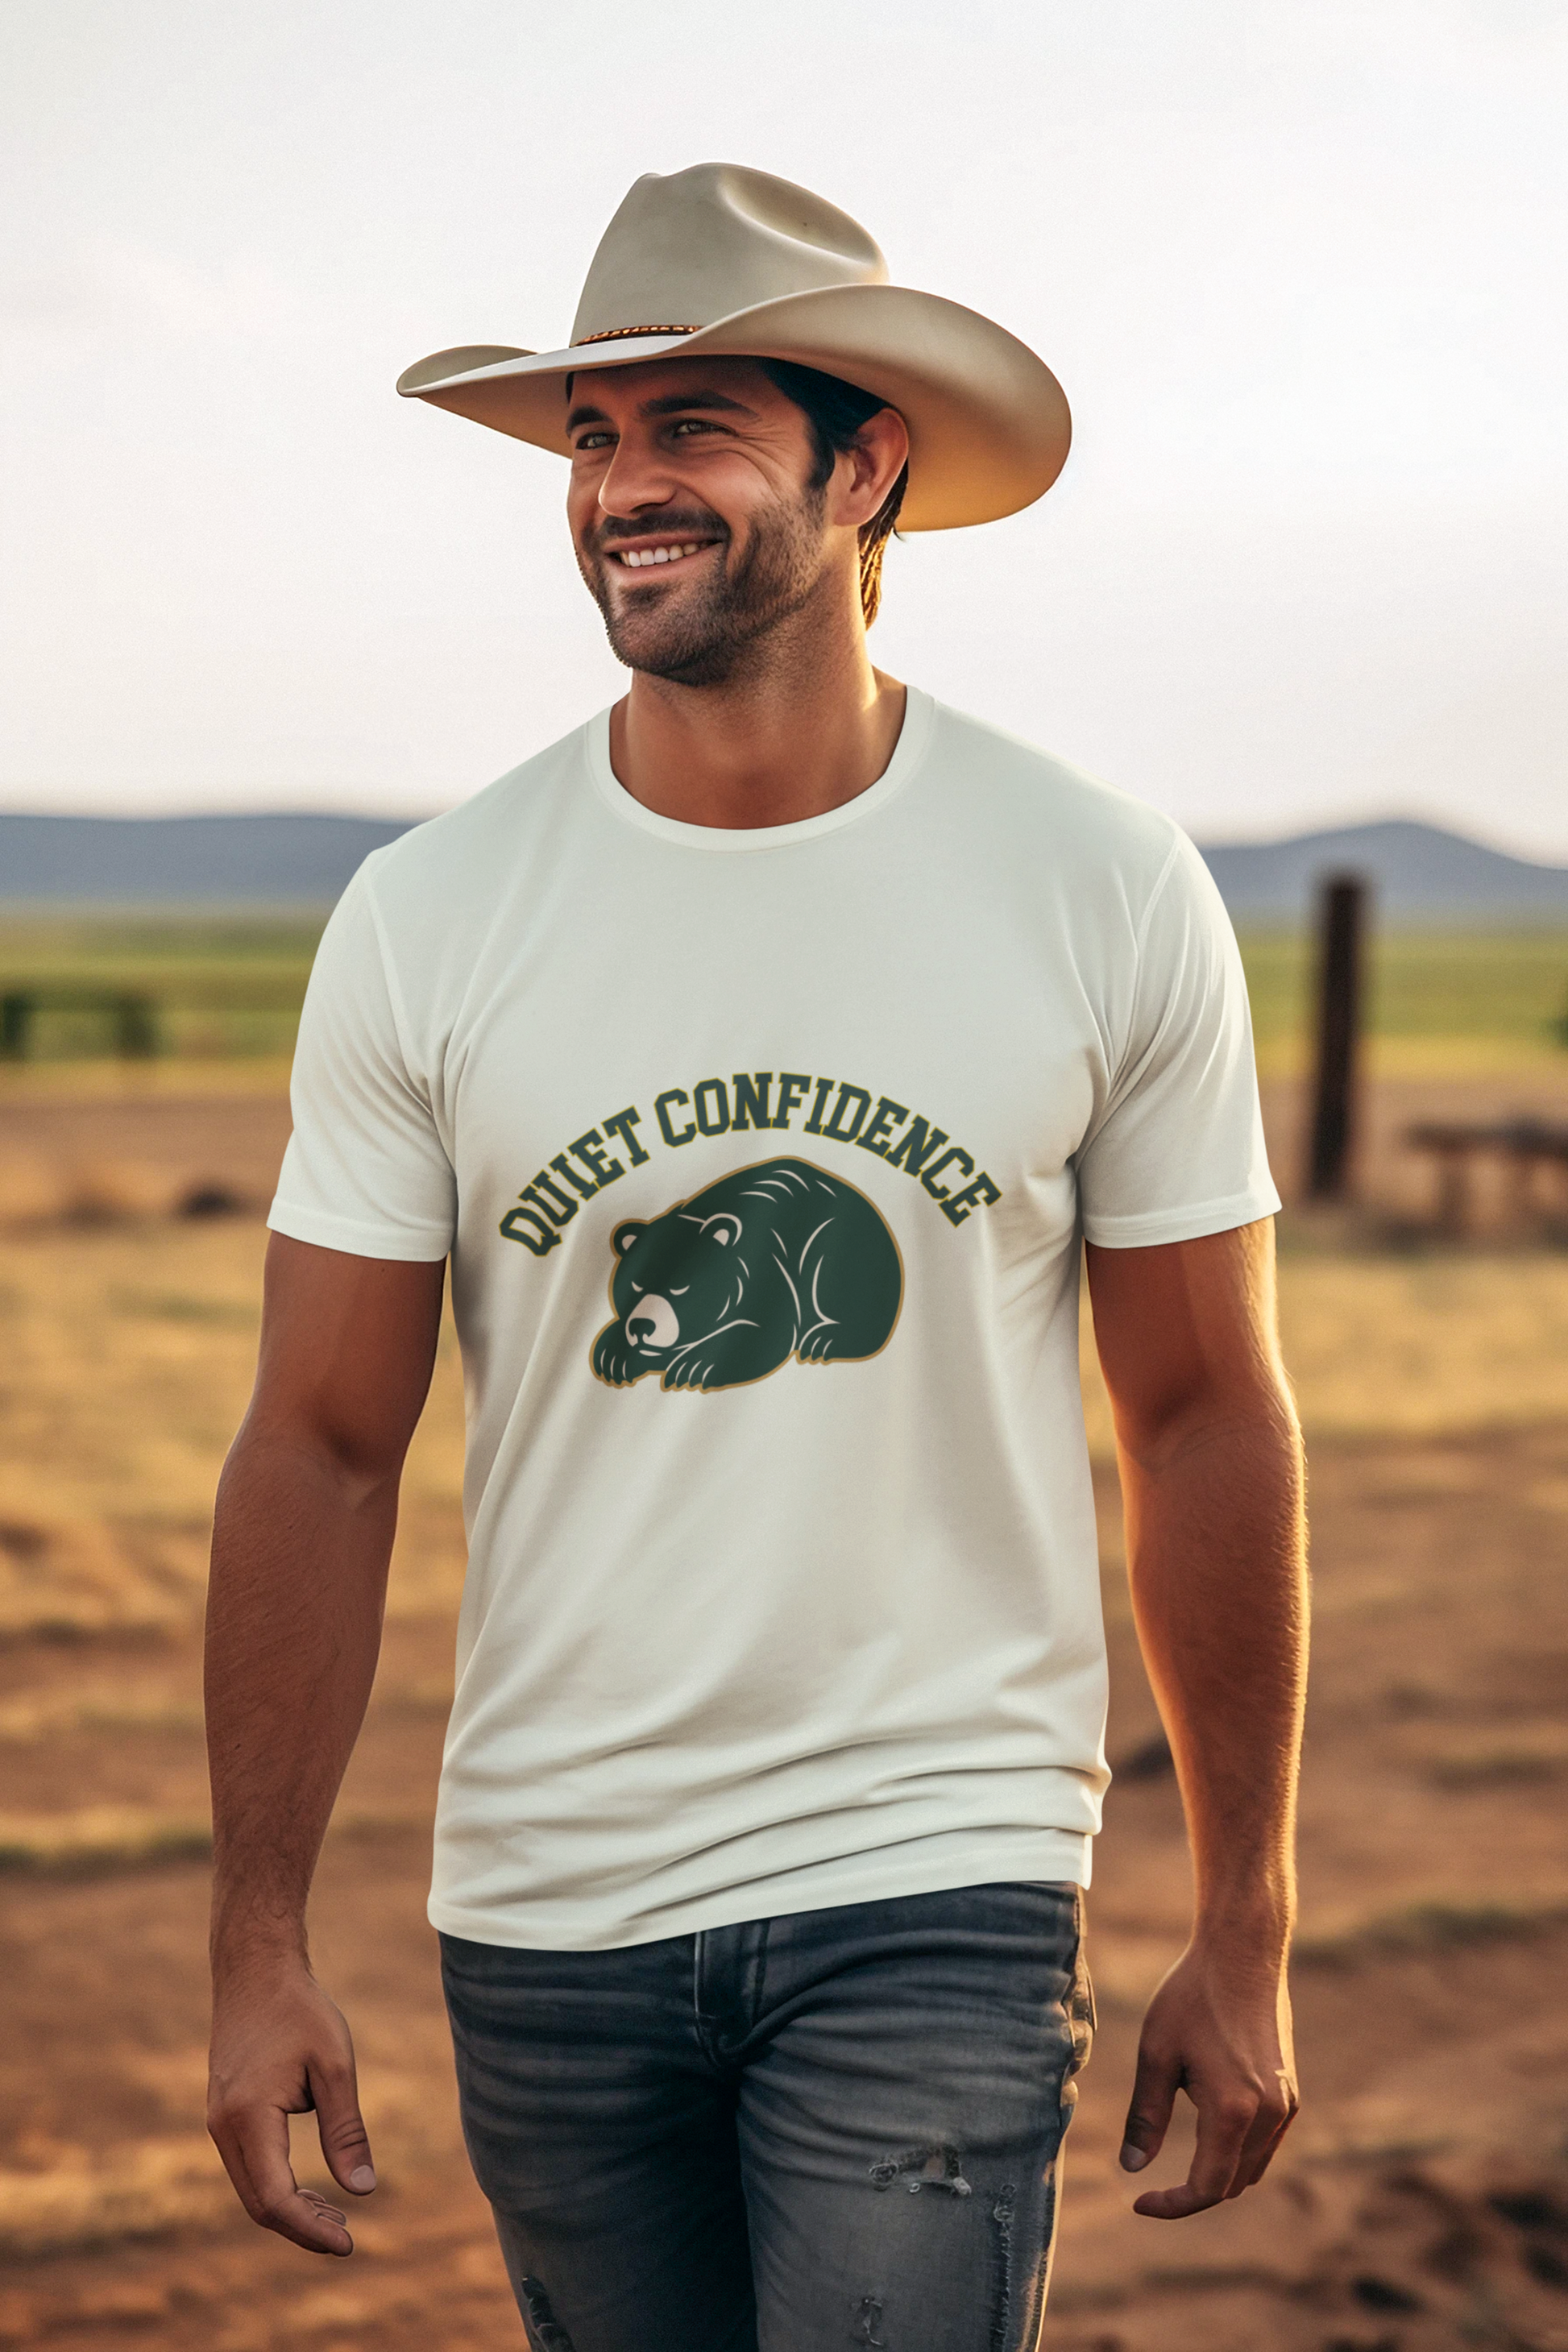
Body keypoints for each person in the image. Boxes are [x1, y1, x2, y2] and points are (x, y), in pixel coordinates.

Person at [205, 163, 1308, 2351]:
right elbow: (322, 1442)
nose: (621, 484)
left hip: (940, 1865)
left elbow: (1202, 1411)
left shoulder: (1094, 884)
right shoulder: (432, 917)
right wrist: (254, 1936)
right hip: (548, 1899)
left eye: (691, 422)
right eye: (594, 437)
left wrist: (1251, 1911)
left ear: (864, 456)